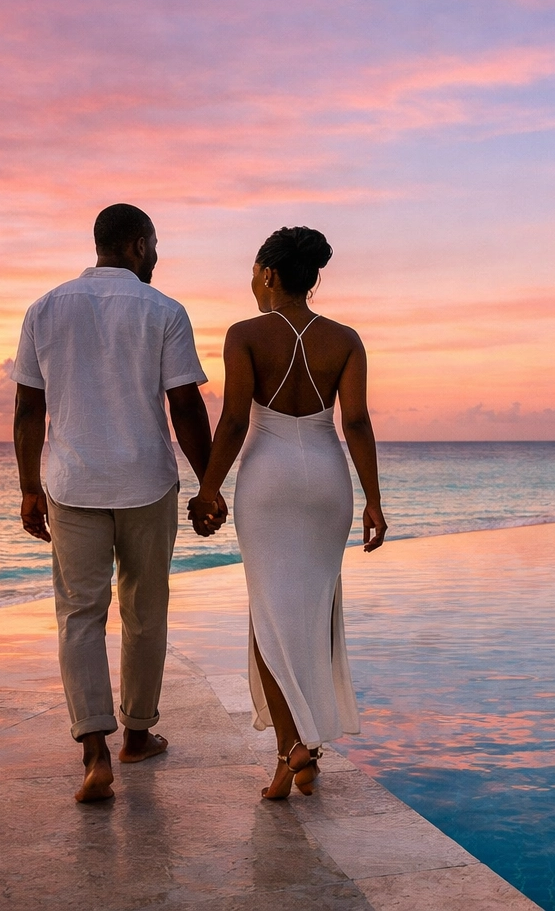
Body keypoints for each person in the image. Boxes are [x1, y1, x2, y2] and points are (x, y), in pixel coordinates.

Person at [12, 203, 222, 803]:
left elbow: (30, 407)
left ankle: (94, 753)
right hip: (146, 483)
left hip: (72, 484)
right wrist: (208, 485)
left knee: (80, 616)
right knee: (144, 611)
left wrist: (30, 486)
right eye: (153, 246)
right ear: (136, 245)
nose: (156, 256)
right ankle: (136, 733)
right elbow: (185, 405)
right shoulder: (163, 311)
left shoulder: (45, 308)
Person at [187, 226, 386, 801]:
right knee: (313, 611)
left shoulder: (245, 334)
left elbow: (231, 420)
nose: (251, 282)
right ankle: (308, 743)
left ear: (270, 274)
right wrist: (374, 499)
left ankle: (290, 748)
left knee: (269, 616)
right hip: (328, 480)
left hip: (269, 478)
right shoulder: (345, 340)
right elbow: (356, 424)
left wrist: (207, 490)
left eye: (254, 271)